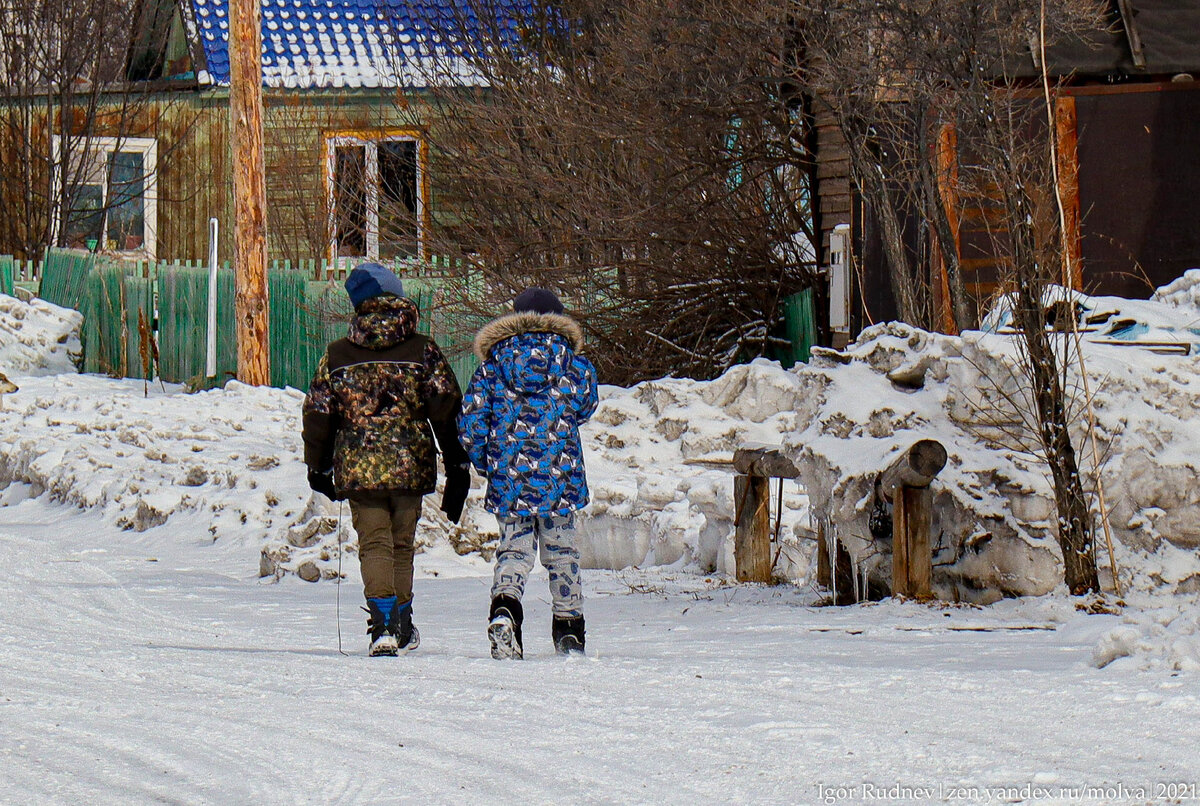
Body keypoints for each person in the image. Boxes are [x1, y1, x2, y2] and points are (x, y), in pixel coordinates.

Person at [302, 262, 470, 657]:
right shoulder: (422, 350)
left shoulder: (338, 355)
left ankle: (383, 626)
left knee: (374, 543)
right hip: (410, 466)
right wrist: (457, 462)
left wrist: (318, 464)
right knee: (401, 545)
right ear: (398, 299)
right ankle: (404, 622)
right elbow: (447, 408)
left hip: (359, 469)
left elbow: (318, 412)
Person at [458, 287, 599, 658]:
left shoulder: (492, 366)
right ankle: (569, 630)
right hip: (560, 477)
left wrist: (488, 462)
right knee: (563, 554)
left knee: (514, 551)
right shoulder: (573, 365)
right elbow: (586, 407)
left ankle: (505, 611)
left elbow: (470, 423)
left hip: (510, 479)